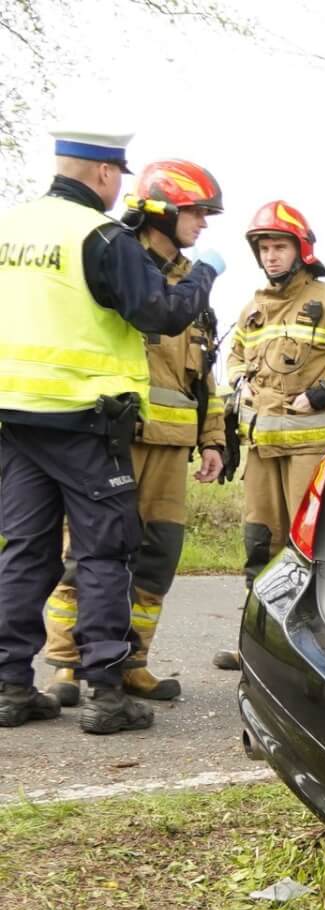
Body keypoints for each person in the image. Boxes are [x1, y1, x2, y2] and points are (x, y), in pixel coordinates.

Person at [0, 130, 222, 733]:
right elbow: (160, 313)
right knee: (105, 552)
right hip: (84, 419)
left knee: (25, 550)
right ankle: (105, 692)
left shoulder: (10, 226)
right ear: (103, 175)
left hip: (14, 416)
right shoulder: (97, 236)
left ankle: (10, 685)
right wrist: (203, 276)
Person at [213, 200, 325, 670]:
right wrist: (238, 379)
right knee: (258, 548)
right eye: (264, 248)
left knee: (306, 550)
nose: (271, 256)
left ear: (301, 250)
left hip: (307, 450)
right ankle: (256, 643)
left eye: (279, 247)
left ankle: (311, 651)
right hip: (260, 450)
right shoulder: (253, 309)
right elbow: (232, 355)